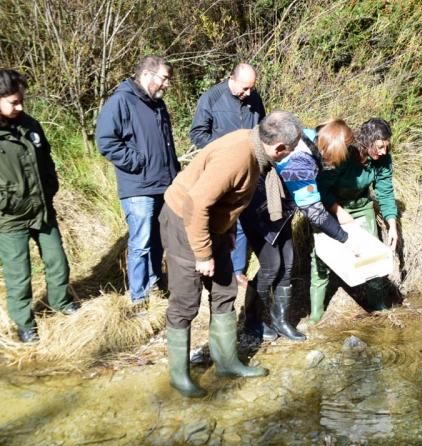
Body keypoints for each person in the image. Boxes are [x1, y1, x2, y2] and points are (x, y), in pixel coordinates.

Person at [160, 110, 302, 398]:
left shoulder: (253, 149)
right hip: (183, 221)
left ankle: (226, 363)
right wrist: (202, 253)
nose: (287, 157)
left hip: (212, 226)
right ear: (278, 147)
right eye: (289, 151)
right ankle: (179, 377)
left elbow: (227, 201)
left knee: (224, 290)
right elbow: (197, 203)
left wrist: (225, 234)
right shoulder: (237, 155)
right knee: (186, 301)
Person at [242, 119, 359, 342]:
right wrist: (345, 239)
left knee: (287, 263)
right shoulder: (300, 161)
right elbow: (313, 211)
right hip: (259, 208)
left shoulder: (309, 135)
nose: (336, 162)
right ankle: (251, 323)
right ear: (331, 146)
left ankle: (280, 321)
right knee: (271, 266)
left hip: (280, 208)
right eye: (338, 155)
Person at [95, 55, 179, 313]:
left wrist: (175, 175)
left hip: (164, 185)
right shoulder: (121, 101)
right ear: (147, 75)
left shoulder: (157, 104)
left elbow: (167, 145)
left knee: (158, 241)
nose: (166, 85)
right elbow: (106, 140)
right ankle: (138, 298)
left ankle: (156, 285)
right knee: (141, 242)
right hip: (138, 187)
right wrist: (137, 162)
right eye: (164, 79)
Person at [0, 69, 77, 342]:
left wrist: (50, 186)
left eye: (22, 100)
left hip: (42, 209)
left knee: (58, 261)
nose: (19, 106)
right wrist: (6, 203)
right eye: (13, 102)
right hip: (9, 219)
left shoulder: (29, 125)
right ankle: (24, 323)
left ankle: (61, 302)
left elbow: (46, 161)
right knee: (19, 274)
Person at [310, 118, 398, 323]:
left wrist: (392, 225)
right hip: (330, 208)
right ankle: (316, 313)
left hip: (361, 207)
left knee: (372, 257)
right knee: (320, 259)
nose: (384, 152)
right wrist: (338, 212)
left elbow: (385, 191)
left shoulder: (383, 160)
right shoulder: (344, 153)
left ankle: (377, 305)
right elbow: (322, 188)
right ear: (367, 142)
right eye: (379, 147)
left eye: (387, 147)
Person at [189, 63, 266, 288]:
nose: (248, 93)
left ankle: (237, 270)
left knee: (240, 216)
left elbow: (262, 129)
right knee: (218, 218)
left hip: (249, 168)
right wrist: (222, 151)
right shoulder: (211, 98)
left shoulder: (254, 98)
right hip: (220, 169)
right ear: (231, 78)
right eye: (244, 88)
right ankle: (212, 268)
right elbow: (197, 133)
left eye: (251, 88)